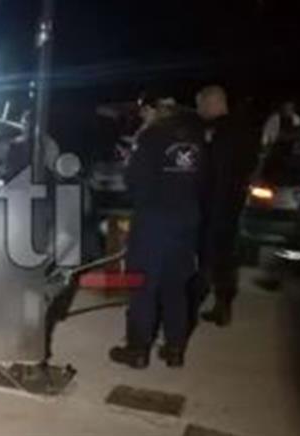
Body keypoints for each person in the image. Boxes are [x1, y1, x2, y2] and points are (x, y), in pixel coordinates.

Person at [109, 92, 207, 368]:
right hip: (187, 218)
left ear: (155, 109)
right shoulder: (195, 137)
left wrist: (131, 161)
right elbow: (203, 180)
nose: (142, 115)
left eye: (144, 110)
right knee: (176, 285)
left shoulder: (151, 136)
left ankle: (138, 349)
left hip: (155, 219)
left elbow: (134, 180)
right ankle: (175, 349)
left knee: (143, 285)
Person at [195, 86, 261, 327]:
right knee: (225, 254)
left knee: (211, 254)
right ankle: (223, 304)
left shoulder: (218, 132)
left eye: (201, 105)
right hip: (233, 201)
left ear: (212, 103)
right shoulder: (245, 130)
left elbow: (212, 170)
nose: (199, 111)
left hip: (216, 203)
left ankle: (204, 301)